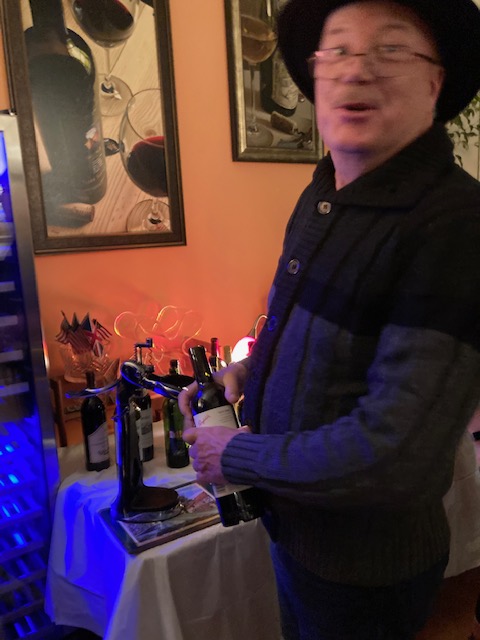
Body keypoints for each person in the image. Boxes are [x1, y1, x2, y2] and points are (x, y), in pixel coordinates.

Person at [179, 0, 480, 638]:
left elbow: (396, 457)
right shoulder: (324, 192)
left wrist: (238, 453)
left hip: (366, 573)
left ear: (436, 81)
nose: (355, 69)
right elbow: (313, 330)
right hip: (296, 536)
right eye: (337, 48)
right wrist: (250, 371)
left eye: (390, 48)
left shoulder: (455, 224)